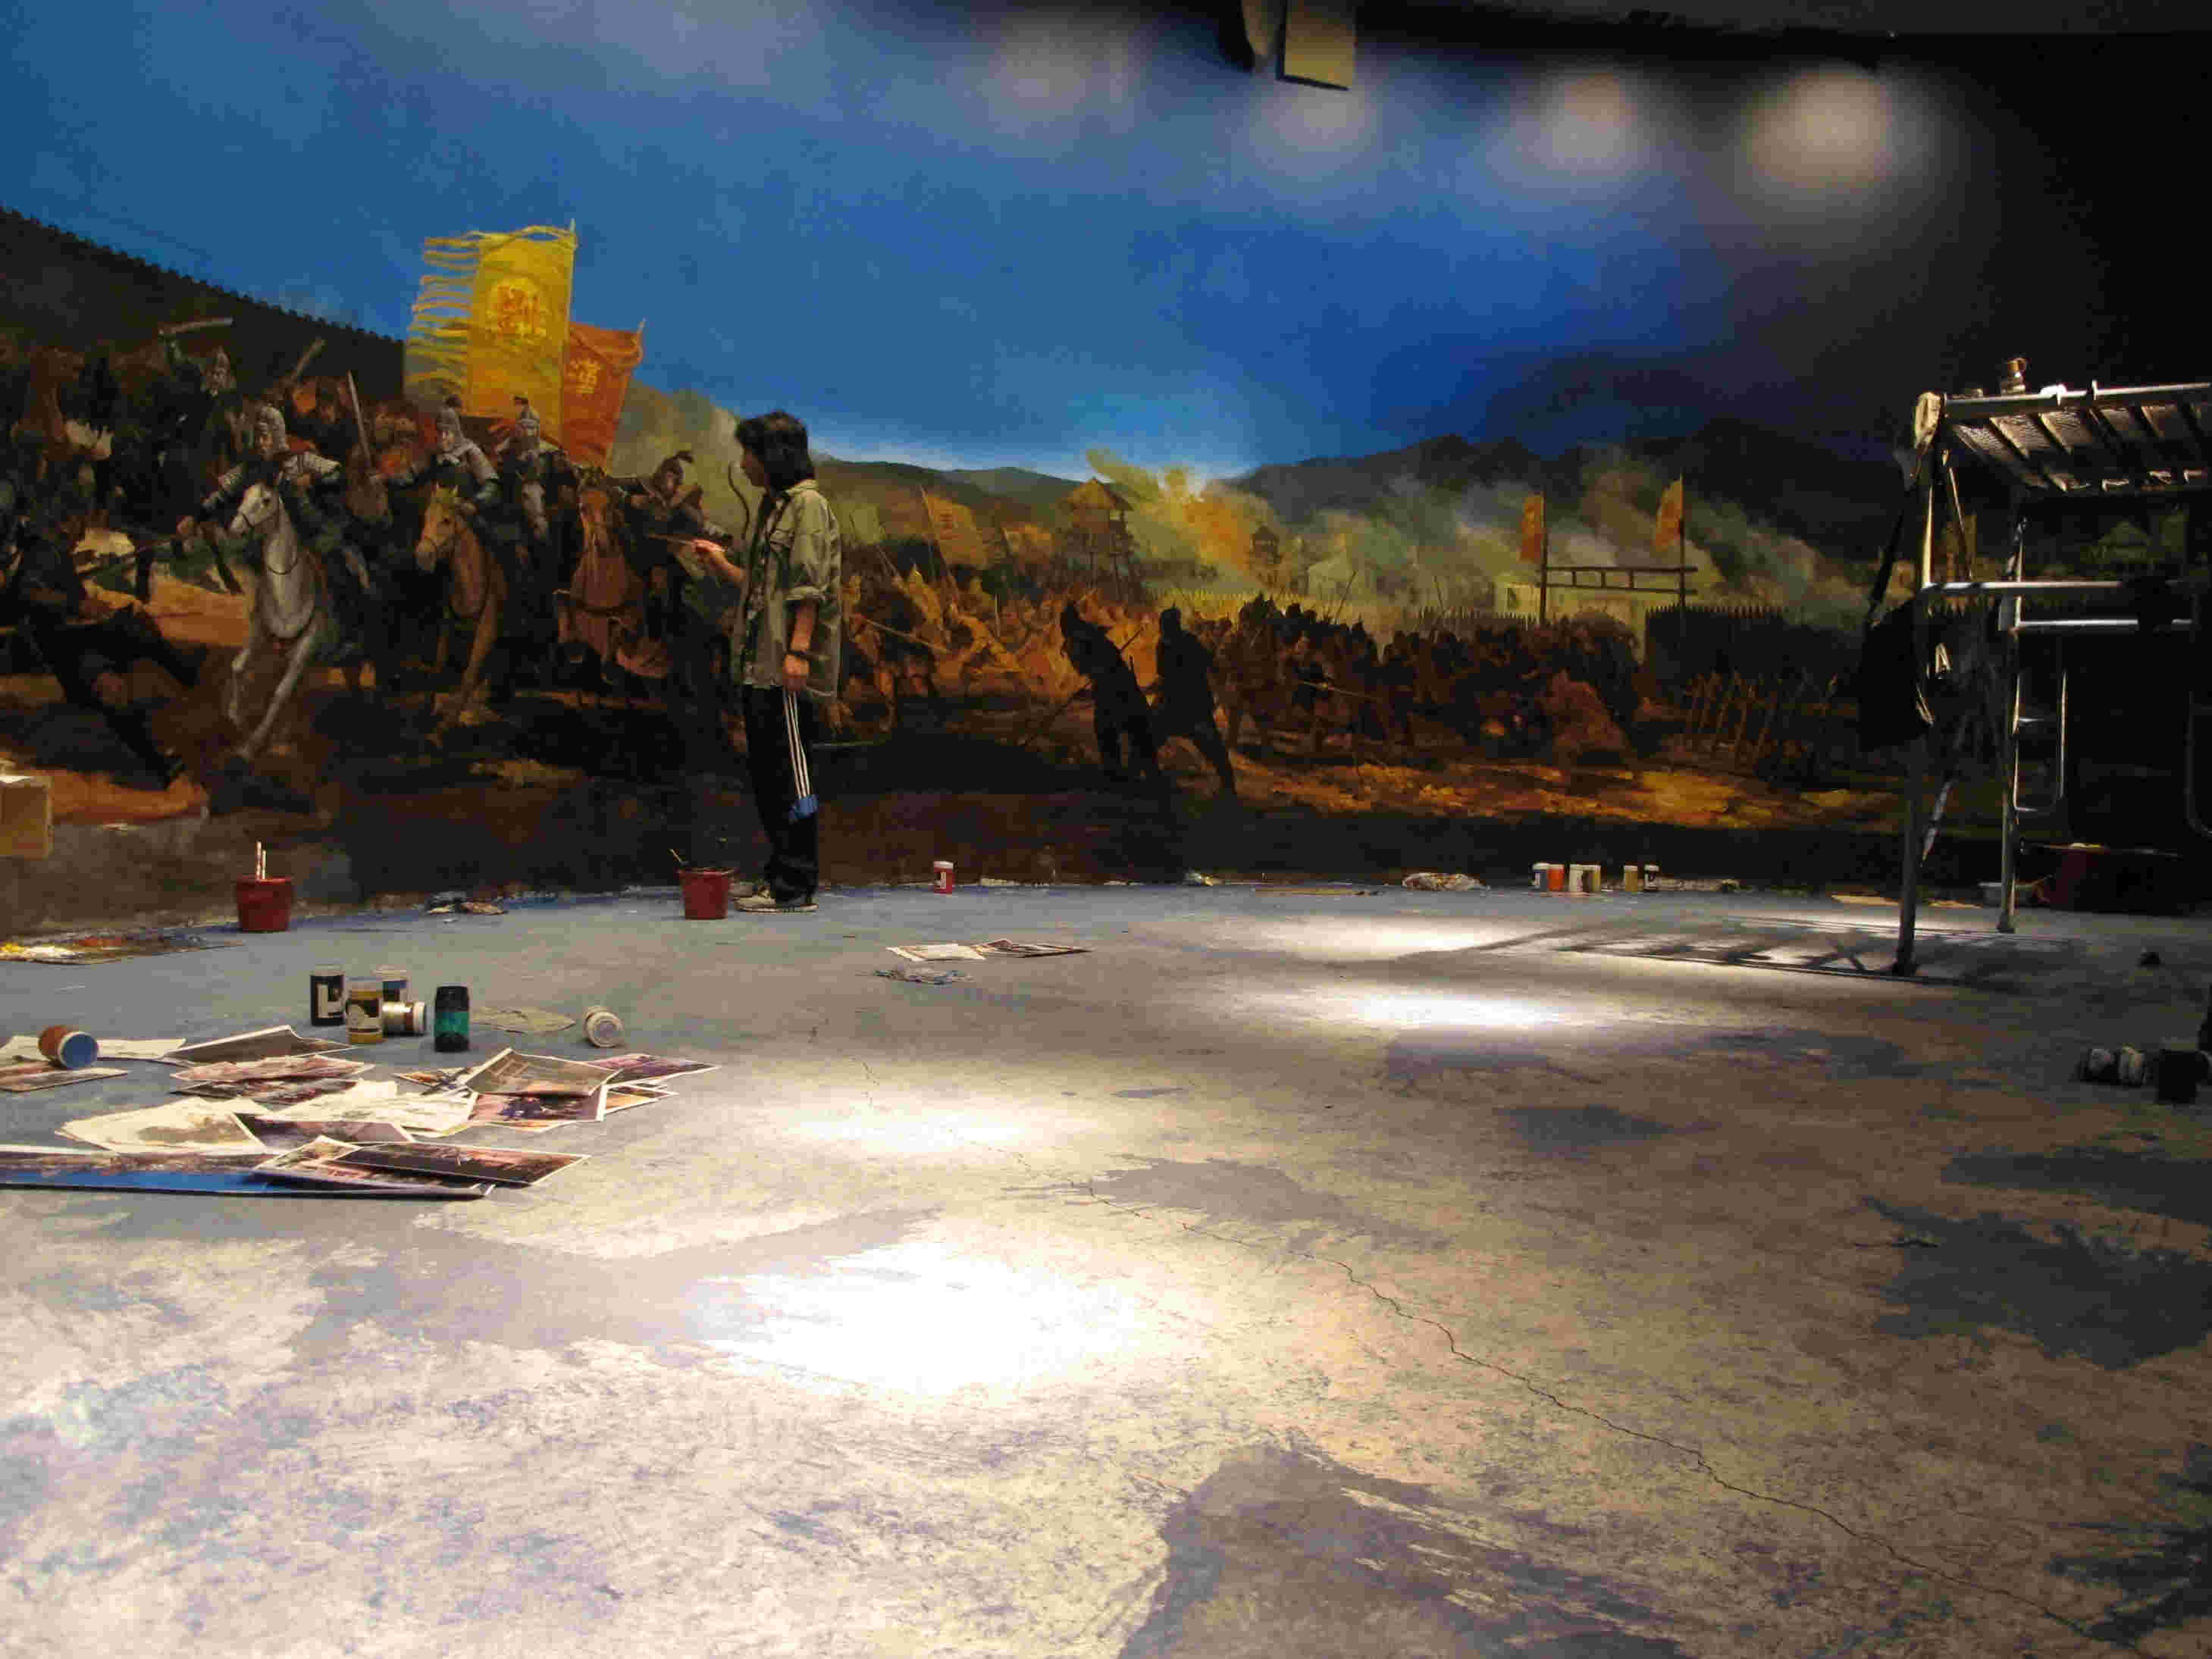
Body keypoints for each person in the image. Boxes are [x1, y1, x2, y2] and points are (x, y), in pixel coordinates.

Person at [685, 411, 841, 914]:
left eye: (749, 453)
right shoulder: (774, 509)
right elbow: (759, 589)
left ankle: (797, 882)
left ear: (773, 456)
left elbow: (809, 590)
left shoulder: (808, 508)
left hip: (785, 670)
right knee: (770, 776)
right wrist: (719, 562)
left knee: (796, 780)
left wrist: (798, 653)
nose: (744, 463)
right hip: (759, 667)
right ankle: (779, 875)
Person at [1060, 600, 1164, 791]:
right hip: (1116, 689)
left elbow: (1092, 669)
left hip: (1117, 691)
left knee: (1122, 731)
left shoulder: (1081, 638)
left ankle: (1129, 778)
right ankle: (1128, 777)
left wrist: (1090, 688)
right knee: (1126, 732)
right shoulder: (1086, 636)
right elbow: (1092, 669)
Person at [1149, 607, 1236, 798]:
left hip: (1193, 704)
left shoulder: (1187, 642)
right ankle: (1149, 775)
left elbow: (1207, 663)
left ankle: (1228, 785)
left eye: (1166, 625)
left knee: (1212, 746)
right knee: (1151, 737)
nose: (1163, 629)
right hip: (1174, 703)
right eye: (1163, 625)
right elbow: (1164, 674)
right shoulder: (1166, 644)